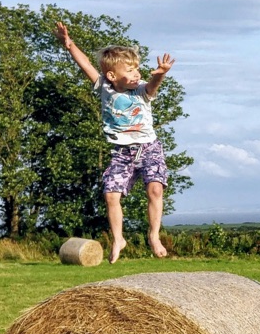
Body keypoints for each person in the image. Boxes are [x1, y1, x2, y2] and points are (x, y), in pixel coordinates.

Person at [54, 21, 174, 263]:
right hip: (122, 152)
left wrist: (160, 75)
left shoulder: (141, 90)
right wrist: (69, 44)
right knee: (111, 195)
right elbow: (86, 64)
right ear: (112, 75)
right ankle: (118, 238)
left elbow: (152, 85)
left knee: (155, 189)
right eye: (130, 70)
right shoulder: (104, 88)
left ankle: (154, 235)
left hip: (149, 147)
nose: (137, 73)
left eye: (137, 69)